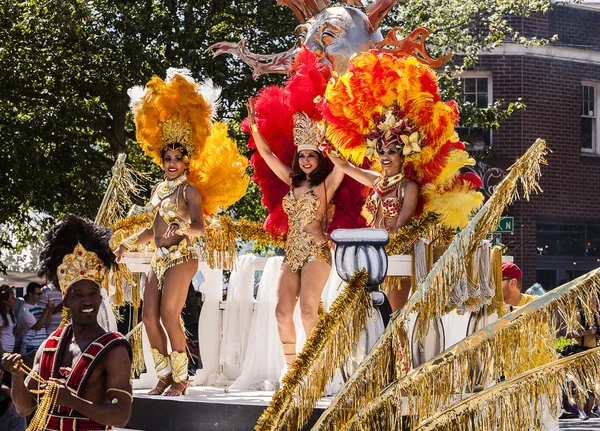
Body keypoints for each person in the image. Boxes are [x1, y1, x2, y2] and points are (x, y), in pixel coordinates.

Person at [115, 70, 248, 396]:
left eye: (178, 158)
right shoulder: (158, 190)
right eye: (168, 158)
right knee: (147, 317)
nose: (172, 162)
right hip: (159, 258)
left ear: (186, 162)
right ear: (161, 160)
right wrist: (128, 244)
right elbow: (153, 229)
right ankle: (163, 375)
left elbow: (200, 228)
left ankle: (182, 378)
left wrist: (183, 228)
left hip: (183, 257)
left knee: (169, 316)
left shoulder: (190, 191)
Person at [2, 214, 133, 431]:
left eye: (93, 292)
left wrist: (71, 400)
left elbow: (121, 415)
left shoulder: (114, 349)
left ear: (100, 297)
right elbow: (24, 408)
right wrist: (17, 375)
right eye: (78, 294)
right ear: (65, 300)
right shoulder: (49, 346)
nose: (87, 300)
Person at [247, 99, 344, 368]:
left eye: (311, 155)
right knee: (280, 312)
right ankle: (293, 370)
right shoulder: (291, 180)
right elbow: (267, 156)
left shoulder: (327, 185)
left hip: (317, 251)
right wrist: (254, 127)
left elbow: (344, 166)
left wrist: (333, 139)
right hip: (291, 253)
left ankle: (316, 370)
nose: (306, 160)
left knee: (308, 310)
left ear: (319, 157)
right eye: (302, 155)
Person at [328, 123, 419, 312]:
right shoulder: (376, 181)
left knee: (394, 316)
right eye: (382, 151)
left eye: (391, 152)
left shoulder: (408, 187)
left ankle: (399, 343)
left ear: (402, 157)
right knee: (371, 315)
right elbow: (345, 166)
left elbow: (402, 222)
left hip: (396, 255)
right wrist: (324, 146)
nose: (385, 156)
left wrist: (386, 245)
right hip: (371, 255)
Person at [17, 282, 53, 367]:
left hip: (40, 346)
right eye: (38, 294)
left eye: (40, 293)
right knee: (31, 377)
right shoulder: (25, 309)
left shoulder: (39, 307)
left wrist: (50, 310)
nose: (40, 296)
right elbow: (37, 326)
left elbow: (46, 326)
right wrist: (47, 310)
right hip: (30, 349)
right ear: (30, 294)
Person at [0, 286, 17, 358]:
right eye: (12, 298)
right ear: (5, 301)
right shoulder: (1, 316)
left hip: (11, 348)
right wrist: (2, 353)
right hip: (4, 349)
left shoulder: (11, 313)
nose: (15, 299)